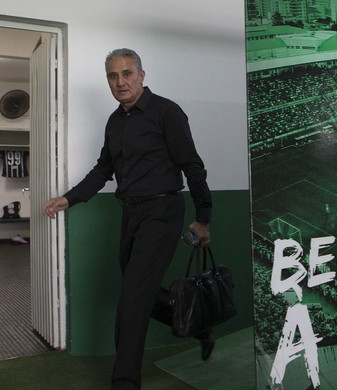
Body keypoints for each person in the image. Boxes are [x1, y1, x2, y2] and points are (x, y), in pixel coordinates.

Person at [42, 48, 213, 389]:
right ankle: (199, 325)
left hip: (163, 213)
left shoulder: (167, 112)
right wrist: (69, 198)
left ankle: (124, 382)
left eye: (127, 74)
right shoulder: (115, 121)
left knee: (132, 301)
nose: (120, 82)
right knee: (142, 294)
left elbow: (192, 165)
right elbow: (103, 169)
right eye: (112, 76)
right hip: (131, 214)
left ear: (141, 75)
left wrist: (203, 218)